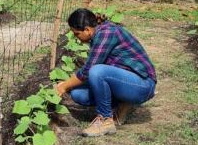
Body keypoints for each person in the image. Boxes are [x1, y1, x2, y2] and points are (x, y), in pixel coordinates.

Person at [55, 8, 157, 137]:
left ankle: (105, 121)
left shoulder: (107, 33)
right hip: (128, 82)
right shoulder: (99, 32)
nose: (76, 38)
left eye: (77, 34)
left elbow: (88, 70)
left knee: (97, 71)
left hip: (143, 85)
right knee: (78, 94)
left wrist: (64, 86)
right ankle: (123, 103)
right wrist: (68, 85)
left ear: (87, 30)